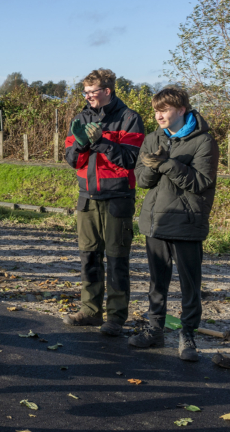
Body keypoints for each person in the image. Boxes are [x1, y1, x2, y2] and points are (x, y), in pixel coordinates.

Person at [128, 88, 219, 362]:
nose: (158, 116)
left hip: (187, 223)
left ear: (181, 110)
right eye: (156, 110)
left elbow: (200, 183)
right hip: (156, 222)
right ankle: (155, 330)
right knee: (157, 283)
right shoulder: (153, 138)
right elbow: (142, 180)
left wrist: (167, 163)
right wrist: (154, 166)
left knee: (190, 284)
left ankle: (187, 335)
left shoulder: (204, 141)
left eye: (164, 110)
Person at [62, 69, 145, 336]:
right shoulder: (81, 117)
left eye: (91, 92)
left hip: (118, 198)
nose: (87, 97)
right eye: (84, 92)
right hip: (87, 197)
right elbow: (72, 160)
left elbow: (131, 160)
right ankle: (90, 311)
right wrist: (82, 144)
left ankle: (117, 317)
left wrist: (100, 142)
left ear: (107, 91)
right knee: (89, 256)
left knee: (117, 258)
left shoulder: (130, 119)